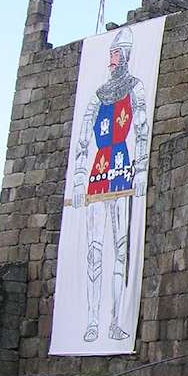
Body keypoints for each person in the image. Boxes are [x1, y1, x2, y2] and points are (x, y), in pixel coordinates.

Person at [71, 26, 149, 342]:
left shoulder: (136, 88)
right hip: (99, 169)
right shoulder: (97, 95)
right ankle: (92, 320)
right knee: (94, 249)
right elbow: (82, 140)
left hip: (122, 168)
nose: (111, 60)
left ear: (126, 56)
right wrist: (78, 179)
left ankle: (115, 320)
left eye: (115, 54)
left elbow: (141, 130)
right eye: (111, 54)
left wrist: (141, 171)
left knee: (120, 249)